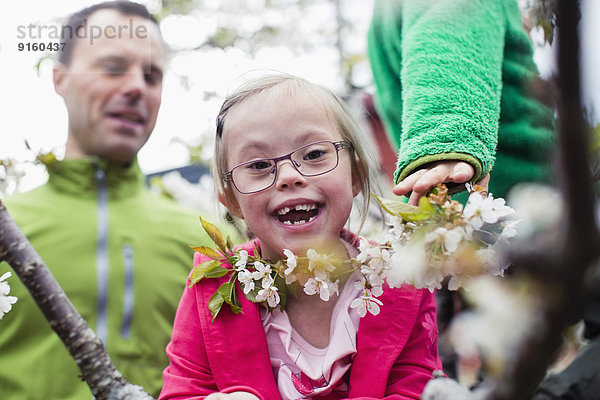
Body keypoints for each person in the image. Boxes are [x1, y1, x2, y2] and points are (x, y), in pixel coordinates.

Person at [159, 73, 443, 400]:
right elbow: (183, 389)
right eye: (259, 164)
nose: (290, 177)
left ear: (356, 175)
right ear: (232, 200)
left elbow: (417, 386)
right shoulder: (213, 288)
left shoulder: (400, 279)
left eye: (313, 155)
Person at [0, 2, 231, 399]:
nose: (136, 87)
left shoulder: (211, 243)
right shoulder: (8, 226)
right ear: (60, 78)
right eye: (112, 67)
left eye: (152, 75)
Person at [367, 0, 555, 205]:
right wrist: (445, 141)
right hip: (507, 199)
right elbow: (448, 35)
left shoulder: (383, 15)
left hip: (442, 207)